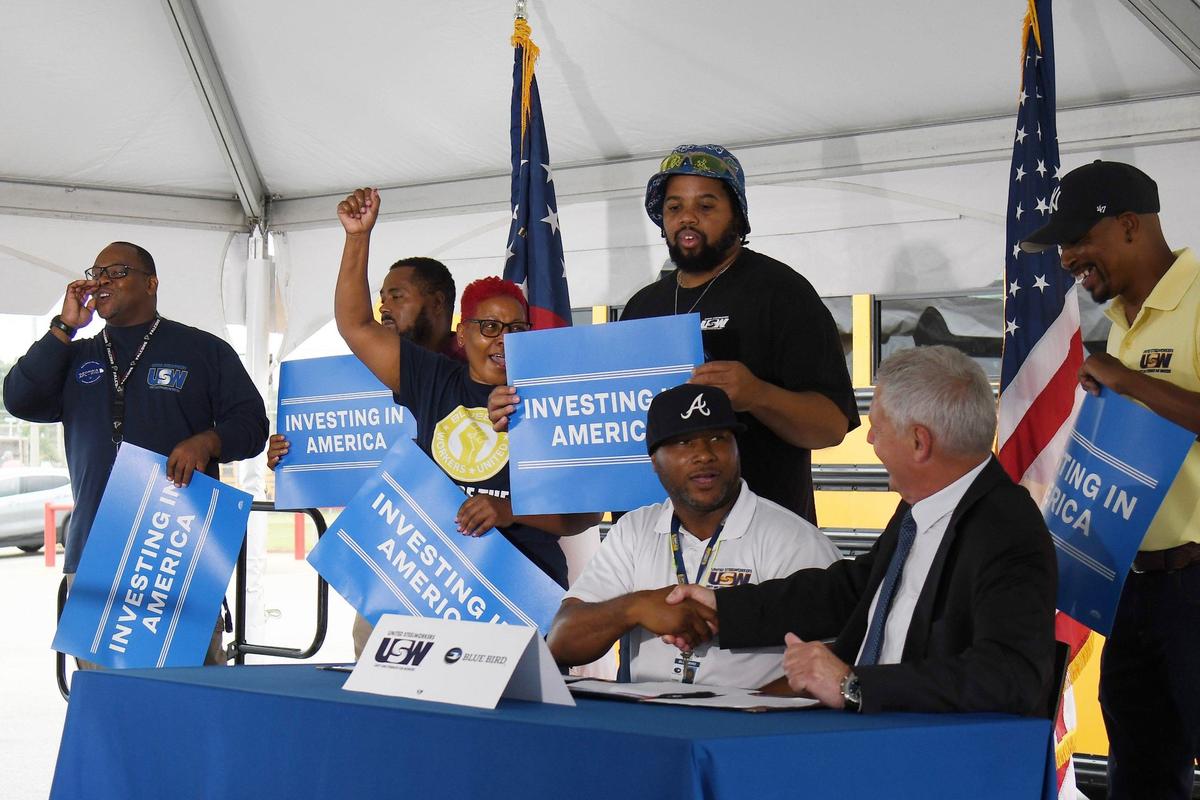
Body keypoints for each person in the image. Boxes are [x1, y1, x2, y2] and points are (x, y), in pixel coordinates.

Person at [667, 346, 1057, 714]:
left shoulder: (1005, 530)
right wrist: (723, 606)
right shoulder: (924, 504)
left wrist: (854, 685)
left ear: (919, 442)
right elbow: (853, 589)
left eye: (878, 428)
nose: (870, 440)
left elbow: (1010, 676)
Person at [489, 144, 859, 523]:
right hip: (653, 540)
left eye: (706, 206)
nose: (688, 218)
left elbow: (830, 427)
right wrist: (526, 413)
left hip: (759, 544)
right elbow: (603, 419)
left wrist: (757, 395)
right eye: (674, 207)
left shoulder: (782, 293)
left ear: (738, 215)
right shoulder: (641, 307)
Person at [1020, 160, 1200, 799]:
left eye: (1077, 239)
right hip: (1133, 585)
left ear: (1130, 225)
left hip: (1194, 579)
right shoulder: (1122, 324)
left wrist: (1127, 382)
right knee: (1142, 775)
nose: (1067, 257)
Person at [3, 241, 269, 666]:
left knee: (190, 686)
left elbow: (253, 425)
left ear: (151, 283)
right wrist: (63, 327)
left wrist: (208, 441)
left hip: (176, 547)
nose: (101, 280)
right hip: (96, 548)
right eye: (96, 272)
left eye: (117, 271)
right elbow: (18, 398)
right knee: (104, 694)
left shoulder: (202, 350)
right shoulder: (75, 356)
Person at [333, 187, 600, 589]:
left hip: (526, 584)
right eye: (489, 327)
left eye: (515, 329)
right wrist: (357, 238)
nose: (501, 339)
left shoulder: (549, 399)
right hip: (439, 582)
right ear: (463, 335)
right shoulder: (431, 378)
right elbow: (356, 324)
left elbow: (587, 515)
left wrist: (509, 510)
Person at [547, 384, 840, 687]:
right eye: (684, 442)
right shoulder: (634, 530)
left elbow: (838, 658)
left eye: (718, 438)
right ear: (654, 462)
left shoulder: (794, 540)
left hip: (748, 728)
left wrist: (746, 710)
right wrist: (636, 607)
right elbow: (561, 641)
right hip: (648, 724)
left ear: (737, 449)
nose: (704, 454)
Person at [266, 255, 461, 469]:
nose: (383, 308)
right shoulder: (362, 372)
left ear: (437, 302)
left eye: (397, 297)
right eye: (383, 298)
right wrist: (294, 454)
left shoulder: (476, 370)